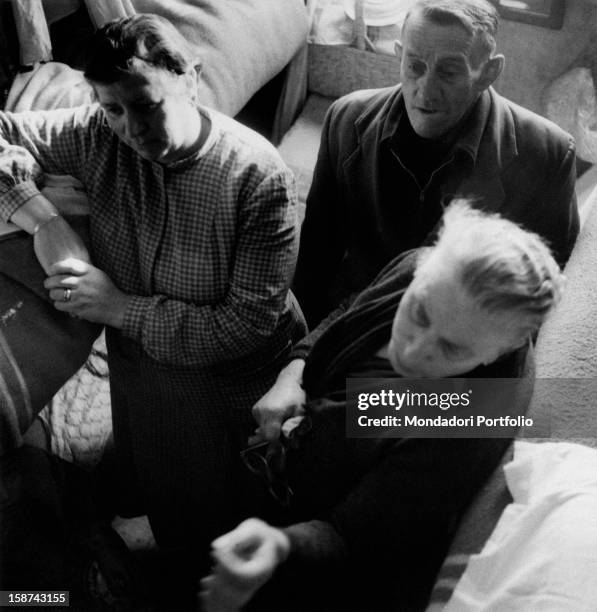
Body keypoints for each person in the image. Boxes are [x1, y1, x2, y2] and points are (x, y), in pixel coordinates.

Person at [0, 13, 304, 583]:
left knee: (218, 531)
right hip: (139, 376)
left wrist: (118, 308)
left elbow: (245, 326)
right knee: (150, 487)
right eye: (113, 109)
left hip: (228, 384)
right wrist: (38, 216)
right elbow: (3, 131)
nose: (130, 129)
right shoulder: (96, 133)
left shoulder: (260, 177)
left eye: (145, 105)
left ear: (190, 78)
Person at [199, 200, 565, 611]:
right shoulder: (425, 269)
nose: (411, 350)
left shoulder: (470, 417)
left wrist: (281, 544)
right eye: (418, 312)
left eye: (450, 349)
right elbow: (351, 310)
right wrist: (293, 373)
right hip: (291, 462)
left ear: (502, 350)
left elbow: (353, 539)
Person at [293, 0, 578, 331]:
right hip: (352, 326)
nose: (425, 91)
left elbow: (541, 304)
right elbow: (315, 263)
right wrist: (302, 359)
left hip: (462, 350)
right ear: (399, 55)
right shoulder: (345, 119)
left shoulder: (548, 155)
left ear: (489, 73)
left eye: (449, 72)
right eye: (415, 66)